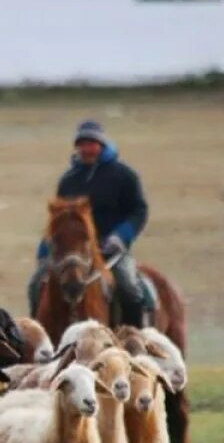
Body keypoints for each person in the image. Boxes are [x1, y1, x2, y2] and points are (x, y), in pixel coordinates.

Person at [28, 120, 150, 326]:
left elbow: (139, 210)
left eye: (91, 144)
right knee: (35, 284)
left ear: (102, 145)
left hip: (111, 250)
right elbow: (58, 219)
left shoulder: (124, 176)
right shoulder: (69, 180)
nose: (86, 149)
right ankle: (37, 337)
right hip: (70, 252)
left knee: (128, 286)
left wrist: (120, 236)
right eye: (82, 144)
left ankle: (135, 336)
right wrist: (45, 249)